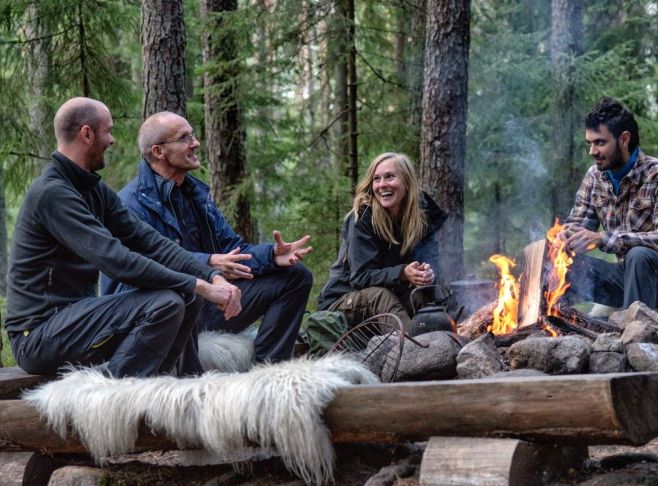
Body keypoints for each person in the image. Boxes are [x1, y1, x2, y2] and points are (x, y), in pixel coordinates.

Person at [5, 97, 242, 378]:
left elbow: (149, 241)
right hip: (38, 336)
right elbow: (117, 260)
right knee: (167, 302)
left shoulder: (92, 189)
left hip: (77, 320)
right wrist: (198, 285)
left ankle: (164, 385)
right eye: (108, 131)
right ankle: (112, 398)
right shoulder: (53, 193)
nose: (112, 140)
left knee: (185, 297)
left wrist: (210, 275)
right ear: (86, 134)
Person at [103, 112, 313, 364]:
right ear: (158, 151)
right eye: (184, 138)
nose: (196, 143)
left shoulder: (195, 194)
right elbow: (144, 264)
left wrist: (271, 256)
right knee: (179, 296)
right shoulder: (130, 203)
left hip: (207, 303)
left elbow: (231, 250)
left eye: (192, 135)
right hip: (157, 314)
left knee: (295, 276)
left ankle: (266, 372)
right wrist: (209, 263)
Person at [558, 96, 658, 310]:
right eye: (589, 143)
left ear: (624, 139)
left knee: (639, 256)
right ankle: (555, 328)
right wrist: (566, 236)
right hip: (628, 277)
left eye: (600, 142)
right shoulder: (594, 177)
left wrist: (602, 238)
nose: (592, 151)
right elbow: (578, 223)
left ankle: (633, 334)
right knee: (561, 262)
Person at [317, 152, 447, 330]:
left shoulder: (421, 215)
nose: (382, 185)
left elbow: (433, 262)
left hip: (390, 297)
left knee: (423, 293)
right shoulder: (362, 217)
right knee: (381, 297)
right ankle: (413, 350)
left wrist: (428, 273)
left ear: (407, 182)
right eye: (376, 179)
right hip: (342, 303)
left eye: (390, 177)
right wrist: (402, 273)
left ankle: (445, 342)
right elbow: (360, 277)